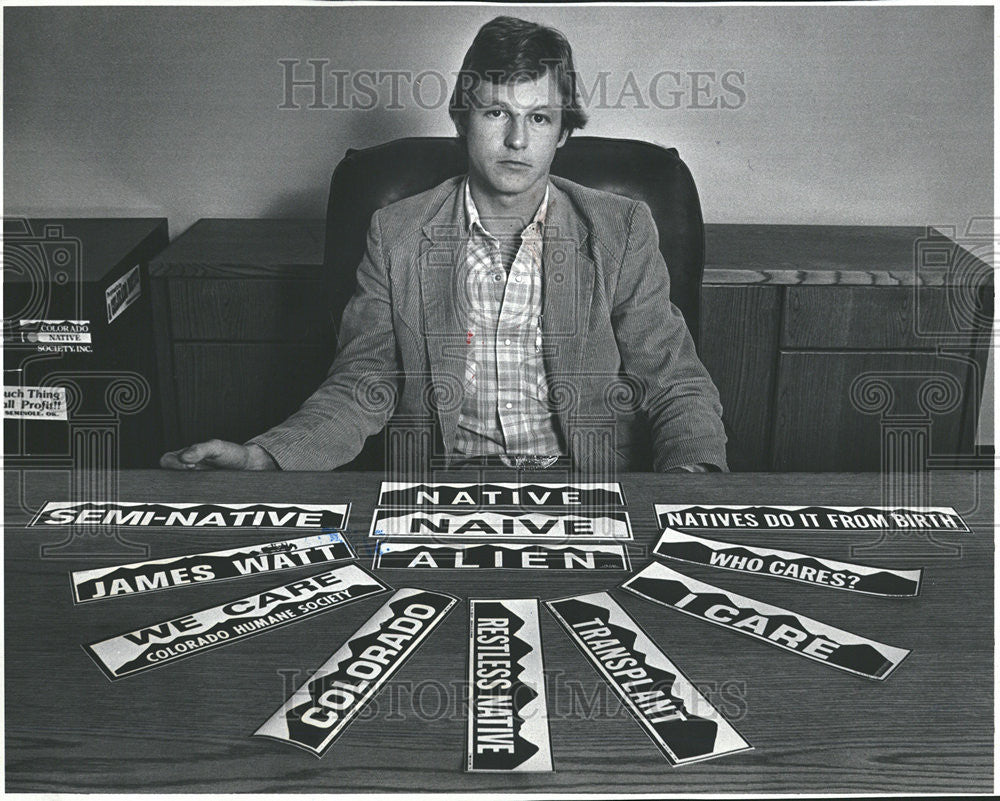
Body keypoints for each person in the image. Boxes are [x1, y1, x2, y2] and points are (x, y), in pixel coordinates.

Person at [161, 16, 727, 473]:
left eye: (539, 117)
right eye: (496, 112)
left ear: (563, 131)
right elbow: (364, 381)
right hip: (439, 489)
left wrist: (691, 479)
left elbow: (672, 376)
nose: (516, 139)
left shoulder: (619, 228)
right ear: (463, 120)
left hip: (583, 484)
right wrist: (269, 455)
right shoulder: (397, 234)